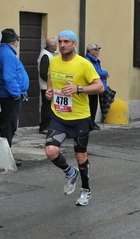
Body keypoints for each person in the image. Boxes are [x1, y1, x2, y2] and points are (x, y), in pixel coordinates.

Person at [45, 30, 104, 206]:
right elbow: (51, 81)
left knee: (80, 156)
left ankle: (85, 190)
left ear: (74, 44)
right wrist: (49, 92)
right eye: (60, 41)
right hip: (59, 116)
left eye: (66, 42)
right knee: (51, 151)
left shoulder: (83, 64)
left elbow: (99, 86)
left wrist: (78, 89)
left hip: (80, 117)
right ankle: (70, 172)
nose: (62, 45)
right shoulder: (53, 61)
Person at [0, 28, 29, 166]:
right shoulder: (8, 54)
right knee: (9, 127)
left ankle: (7, 155)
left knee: (8, 126)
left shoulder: (5, 51)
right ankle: (6, 157)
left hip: (8, 95)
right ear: (14, 41)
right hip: (10, 97)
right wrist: (16, 94)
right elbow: (9, 77)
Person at [85, 44, 109, 130]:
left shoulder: (94, 60)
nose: (97, 51)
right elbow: (95, 73)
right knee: (90, 105)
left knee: (94, 105)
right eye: (95, 50)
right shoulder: (88, 60)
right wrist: (105, 73)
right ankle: (90, 123)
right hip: (90, 86)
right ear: (90, 51)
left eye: (98, 50)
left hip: (95, 86)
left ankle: (92, 122)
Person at [37, 38, 57, 134]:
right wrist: (52, 81)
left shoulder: (49, 54)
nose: (57, 46)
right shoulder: (46, 55)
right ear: (52, 46)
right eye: (56, 44)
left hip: (48, 86)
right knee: (46, 107)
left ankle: (47, 125)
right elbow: (43, 73)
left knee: (49, 107)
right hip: (46, 86)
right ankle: (44, 126)